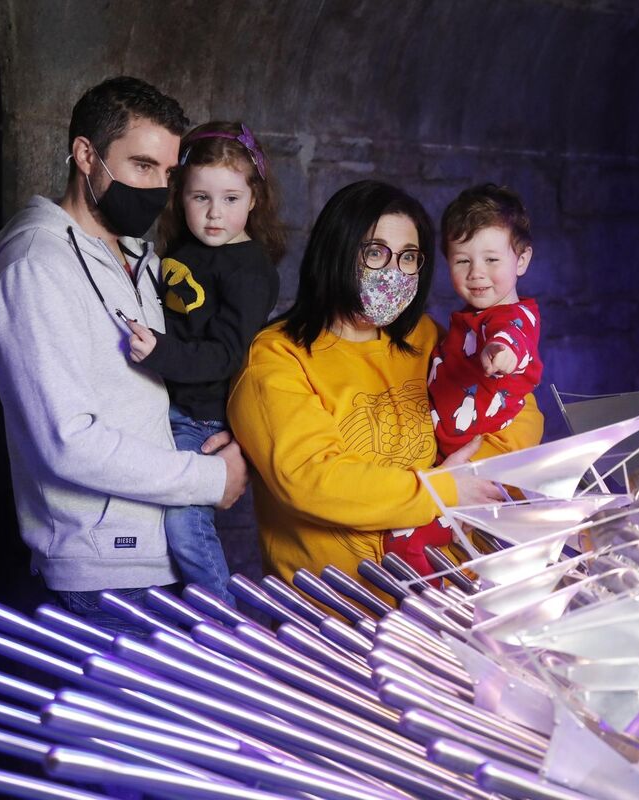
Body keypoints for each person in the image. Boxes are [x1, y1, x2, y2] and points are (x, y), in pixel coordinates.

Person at [0, 76, 248, 634]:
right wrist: (208, 478)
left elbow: (157, 390)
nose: (157, 188)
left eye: (168, 173)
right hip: (102, 577)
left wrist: (216, 435)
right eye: (142, 166)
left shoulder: (141, 257)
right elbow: (67, 441)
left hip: (163, 553)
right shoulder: (36, 264)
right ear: (86, 155)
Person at [228, 180, 543, 600]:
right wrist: (443, 490)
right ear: (337, 250)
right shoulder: (276, 357)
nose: (393, 272)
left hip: (449, 602)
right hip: (338, 615)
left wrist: (471, 475)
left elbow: (517, 409)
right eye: (375, 253)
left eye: (408, 257)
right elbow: (313, 479)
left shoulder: (425, 337)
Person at [124, 121, 283, 604]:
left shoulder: (250, 269)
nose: (215, 213)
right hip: (161, 406)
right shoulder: (184, 250)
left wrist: (160, 352)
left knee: (185, 523)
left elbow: (225, 354)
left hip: (202, 417)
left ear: (253, 200)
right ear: (180, 198)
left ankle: (223, 621)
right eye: (201, 198)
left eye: (231, 199)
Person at [383, 184, 543, 578]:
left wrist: (500, 353)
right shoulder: (468, 320)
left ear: (522, 260)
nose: (477, 273)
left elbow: (512, 340)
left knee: (404, 541)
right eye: (462, 261)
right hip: (447, 460)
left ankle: (427, 603)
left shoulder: (511, 319)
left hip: (477, 471)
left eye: (491, 259)